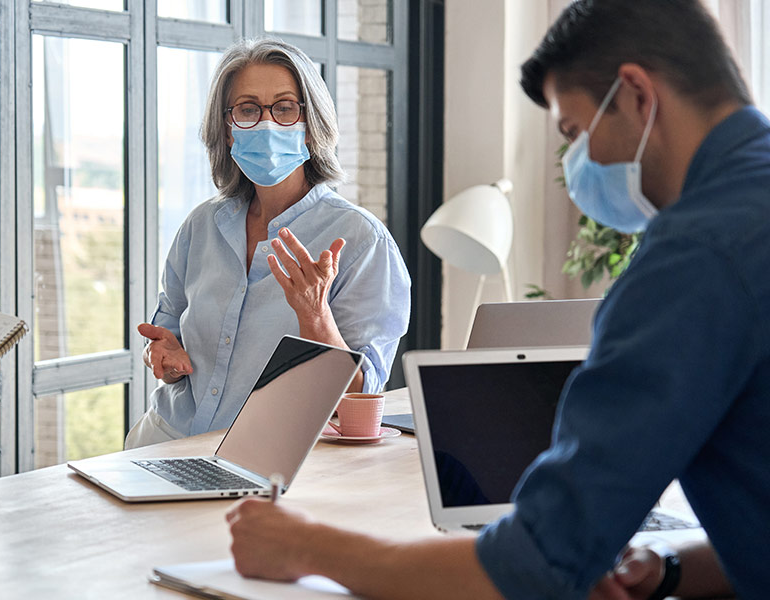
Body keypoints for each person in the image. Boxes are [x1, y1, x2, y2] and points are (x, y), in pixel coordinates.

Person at [226, 1, 770, 597]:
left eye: (575, 133)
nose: (578, 163)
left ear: (638, 94)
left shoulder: (692, 258)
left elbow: (536, 563)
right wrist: (672, 566)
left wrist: (306, 545)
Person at [128, 37, 411, 447]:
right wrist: (164, 356)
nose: (266, 123)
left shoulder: (361, 240)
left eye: (284, 108)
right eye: (247, 109)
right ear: (226, 131)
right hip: (163, 438)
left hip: (266, 457)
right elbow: (166, 331)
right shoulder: (201, 225)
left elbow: (360, 398)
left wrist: (314, 315)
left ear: (311, 126)